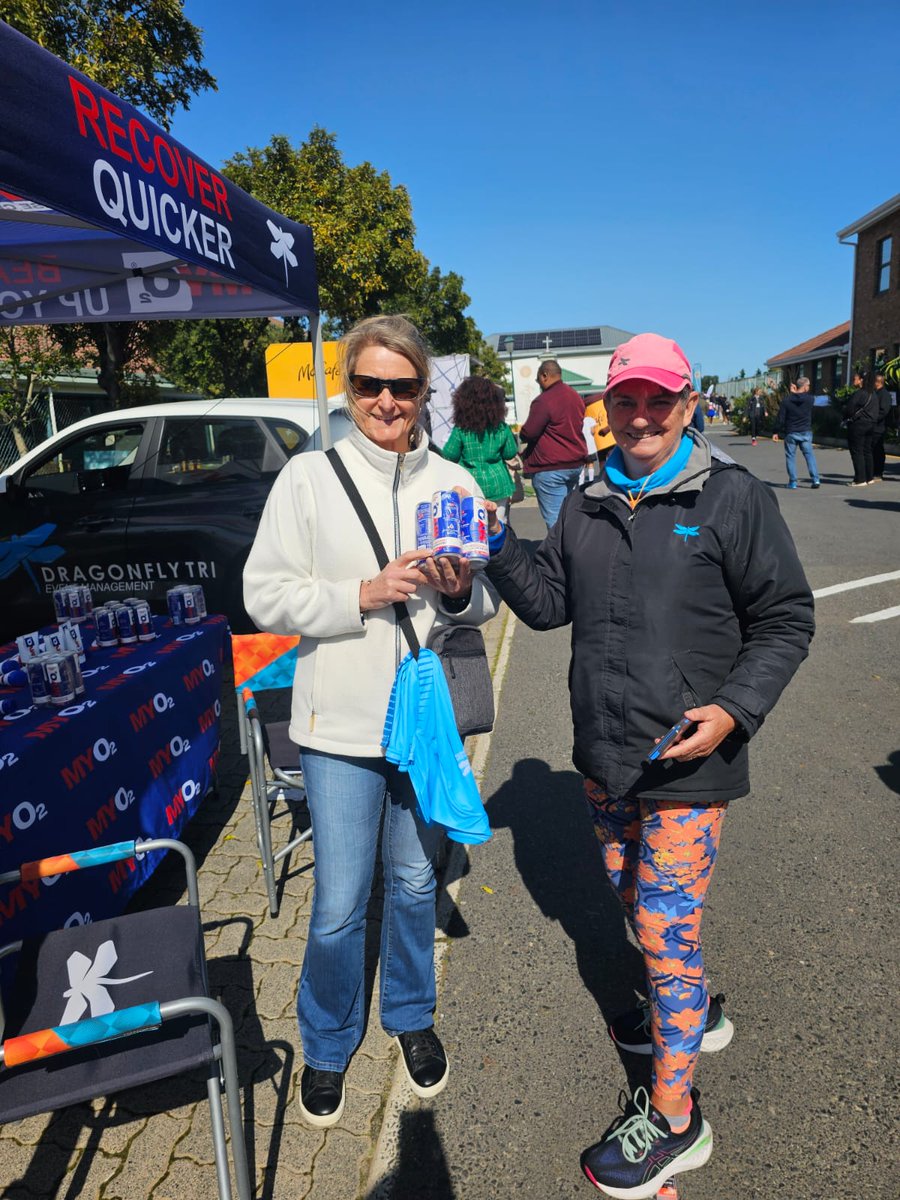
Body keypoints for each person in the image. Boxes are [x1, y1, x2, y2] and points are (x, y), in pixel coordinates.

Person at [483, 332, 814, 1198]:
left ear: (688, 404)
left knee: (665, 932)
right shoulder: (586, 499)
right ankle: (692, 1008)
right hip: (604, 754)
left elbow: (787, 617)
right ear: (607, 406)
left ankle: (675, 1119)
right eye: (626, 400)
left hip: (688, 762)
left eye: (658, 401)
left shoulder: (731, 497)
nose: (640, 416)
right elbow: (550, 603)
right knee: (633, 901)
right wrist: (495, 544)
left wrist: (735, 709)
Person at [243, 315, 497, 1128]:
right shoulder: (307, 479)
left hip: (424, 724)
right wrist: (362, 594)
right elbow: (264, 595)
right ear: (347, 390)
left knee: (419, 881)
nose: (386, 401)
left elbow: (484, 603)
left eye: (404, 386)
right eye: (369, 385)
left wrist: (457, 591)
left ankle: (411, 1017)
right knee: (341, 900)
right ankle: (325, 1044)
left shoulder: (455, 483)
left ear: (427, 393)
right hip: (340, 729)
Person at [440, 375, 520, 523]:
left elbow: (449, 455)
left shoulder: (461, 430)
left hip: (470, 484)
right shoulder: (501, 428)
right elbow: (511, 452)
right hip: (498, 484)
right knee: (498, 526)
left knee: (473, 528)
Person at [518, 358, 587, 529]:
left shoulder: (544, 400)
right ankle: (574, 550)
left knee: (555, 523)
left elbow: (529, 432)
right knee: (569, 516)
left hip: (550, 466)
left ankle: (562, 555)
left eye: (538, 379)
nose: (538, 383)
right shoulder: (575, 396)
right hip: (574, 463)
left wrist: (522, 434)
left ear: (545, 375)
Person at [775, 377, 821, 489]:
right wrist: (796, 393)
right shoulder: (810, 399)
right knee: (809, 455)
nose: (809, 388)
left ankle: (793, 481)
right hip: (805, 431)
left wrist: (775, 431)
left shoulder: (786, 400)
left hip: (791, 432)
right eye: (808, 386)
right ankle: (815, 479)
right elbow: (805, 398)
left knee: (790, 456)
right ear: (805, 387)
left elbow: (781, 418)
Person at [843, 370, 877, 487]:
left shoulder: (859, 393)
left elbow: (849, 409)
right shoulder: (873, 394)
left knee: (857, 452)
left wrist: (845, 416)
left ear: (861, 380)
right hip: (871, 424)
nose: (854, 380)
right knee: (867, 451)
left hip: (858, 425)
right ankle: (869, 477)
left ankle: (860, 479)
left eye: (855, 378)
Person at [871, 372, 892, 482]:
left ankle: (878, 473)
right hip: (873, 426)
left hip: (879, 427)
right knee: (873, 450)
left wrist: (872, 419)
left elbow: (883, 411)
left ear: (877, 382)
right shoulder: (876, 393)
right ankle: (873, 471)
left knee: (878, 450)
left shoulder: (884, 395)